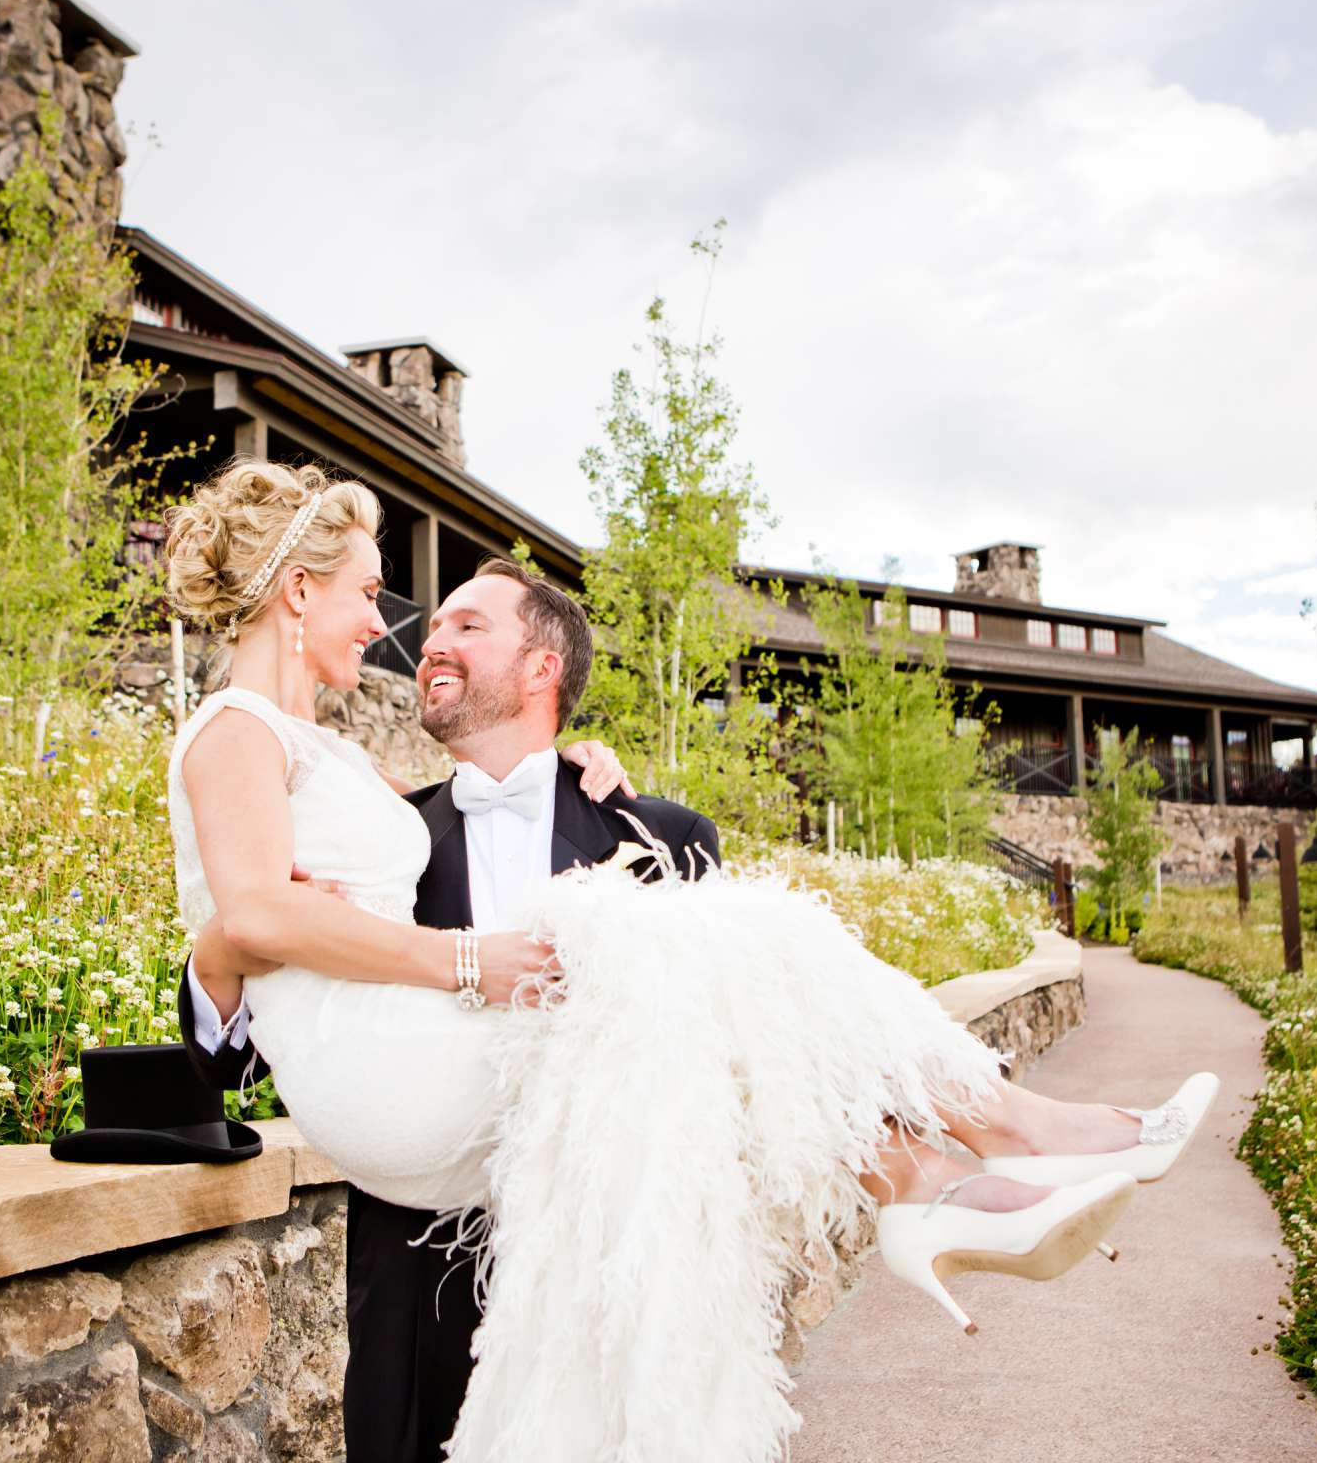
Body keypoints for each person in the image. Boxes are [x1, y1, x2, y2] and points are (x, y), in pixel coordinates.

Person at [164, 459, 1214, 1461]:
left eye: (459, 622)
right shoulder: (250, 736)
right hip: (424, 1206)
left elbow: (320, 879)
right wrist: (437, 956)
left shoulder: (558, 807)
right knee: (691, 947)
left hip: (617, 1217)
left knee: (705, 949)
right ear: (298, 592)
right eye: (377, 595)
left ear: (542, 670)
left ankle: (940, 1170)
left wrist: (575, 779)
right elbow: (256, 932)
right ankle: (977, 1149)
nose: (398, 626)